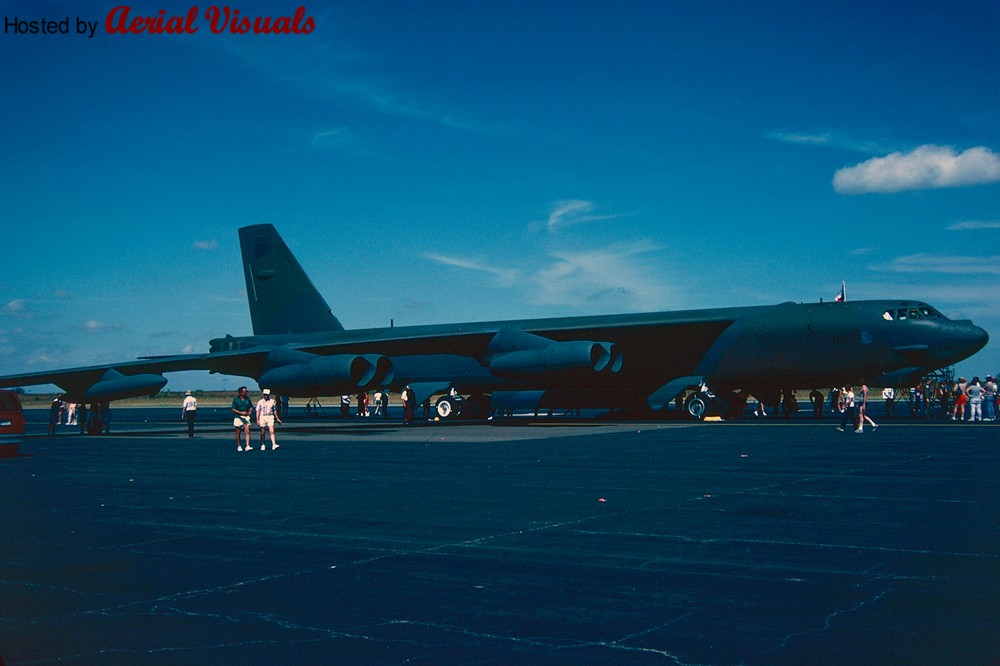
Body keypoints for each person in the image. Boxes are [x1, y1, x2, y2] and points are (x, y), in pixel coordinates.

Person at [231, 386, 254, 452]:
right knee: (238, 432)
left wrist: (250, 412)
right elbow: (233, 409)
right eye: (245, 391)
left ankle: (247, 445)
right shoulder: (236, 400)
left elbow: (251, 406)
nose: (246, 392)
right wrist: (241, 413)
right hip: (238, 417)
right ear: (241, 393)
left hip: (246, 416)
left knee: (247, 431)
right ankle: (239, 446)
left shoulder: (248, 399)